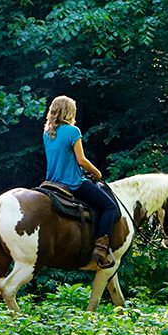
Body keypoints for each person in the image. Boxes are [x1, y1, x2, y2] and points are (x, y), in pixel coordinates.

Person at [42, 95, 119, 268]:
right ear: (69, 112)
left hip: (52, 182)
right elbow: (81, 160)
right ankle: (101, 247)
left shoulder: (47, 132)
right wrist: (97, 172)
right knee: (110, 207)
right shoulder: (73, 131)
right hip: (72, 182)